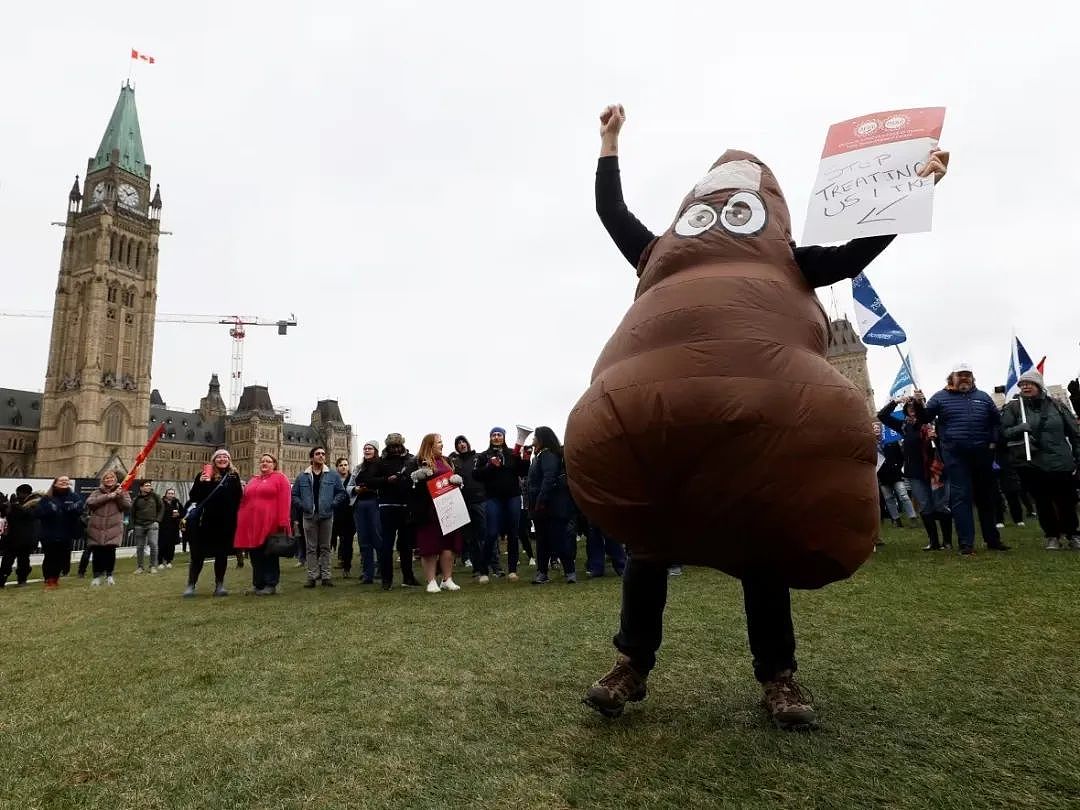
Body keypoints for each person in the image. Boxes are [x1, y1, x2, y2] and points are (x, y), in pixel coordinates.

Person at [570, 103, 951, 729]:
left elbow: (859, 250)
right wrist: (609, 141)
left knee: (761, 549)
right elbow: (611, 213)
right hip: (673, 432)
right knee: (649, 546)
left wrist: (917, 183)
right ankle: (631, 665)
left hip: (756, 431)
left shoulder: (792, 260)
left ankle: (777, 676)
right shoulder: (661, 253)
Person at [918, 364, 1009, 555]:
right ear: (952, 378)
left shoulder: (983, 397)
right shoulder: (940, 397)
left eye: (968, 375)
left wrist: (993, 442)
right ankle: (966, 543)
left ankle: (993, 540)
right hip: (955, 456)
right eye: (961, 375)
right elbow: (924, 417)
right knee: (961, 498)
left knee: (986, 498)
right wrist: (919, 403)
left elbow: (995, 422)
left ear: (973, 378)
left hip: (982, 454)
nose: (965, 379)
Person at [1000, 369, 1080, 549]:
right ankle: (1052, 535)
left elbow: (1074, 434)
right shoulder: (1014, 408)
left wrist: (1077, 456)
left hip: (1061, 461)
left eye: (1029, 383)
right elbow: (1003, 433)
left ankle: (1073, 534)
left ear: (1039, 385)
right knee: (1043, 502)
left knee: (1066, 500)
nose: (1025, 387)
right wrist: (1019, 428)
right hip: (1032, 463)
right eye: (1022, 384)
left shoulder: (1057, 405)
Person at [877, 397, 952, 549]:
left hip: (935, 470)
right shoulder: (905, 426)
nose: (911, 408)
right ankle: (934, 542)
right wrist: (896, 401)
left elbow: (946, 443)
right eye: (908, 406)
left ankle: (947, 541)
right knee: (925, 506)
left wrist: (936, 439)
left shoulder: (931, 424)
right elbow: (882, 416)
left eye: (914, 406)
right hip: (915, 472)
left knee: (941, 505)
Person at [403, 433, 464, 593]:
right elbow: (407, 482)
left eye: (441, 442)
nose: (441, 445)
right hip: (427, 510)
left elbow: (452, 478)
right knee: (429, 545)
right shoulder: (416, 461)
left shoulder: (447, 461)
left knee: (448, 545)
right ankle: (431, 581)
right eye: (438, 442)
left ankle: (447, 579)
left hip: (448, 508)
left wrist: (458, 480)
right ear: (429, 444)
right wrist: (418, 476)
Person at [182, 449, 244, 597]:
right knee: (198, 555)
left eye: (225, 457)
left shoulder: (233, 476)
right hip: (205, 521)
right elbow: (194, 497)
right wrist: (201, 483)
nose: (222, 459)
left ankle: (219, 585)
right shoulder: (204, 475)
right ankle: (191, 585)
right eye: (219, 457)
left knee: (221, 555)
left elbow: (238, 498)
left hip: (225, 522)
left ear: (229, 459)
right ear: (214, 460)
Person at [474, 428, 530, 581]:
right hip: (493, 498)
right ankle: (484, 571)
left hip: (513, 496)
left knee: (513, 532)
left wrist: (526, 459)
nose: (496, 437)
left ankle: (512, 570)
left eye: (499, 435)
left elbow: (522, 472)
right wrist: (490, 467)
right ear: (490, 437)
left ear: (504, 437)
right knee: (491, 533)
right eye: (494, 435)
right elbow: (476, 475)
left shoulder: (512, 453)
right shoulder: (483, 455)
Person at [235, 453, 293, 594]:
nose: (264, 463)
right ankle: (258, 584)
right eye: (262, 461)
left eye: (268, 461)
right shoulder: (253, 480)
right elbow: (245, 501)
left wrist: (283, 521)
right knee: (255, 554)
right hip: (252, 523)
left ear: (274, 464)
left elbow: (285, 501)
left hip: (271, 522)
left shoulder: (280, 478)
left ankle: (271, 584)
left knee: (269, 553)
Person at [292, 446, 348, 588]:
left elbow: (341, 493)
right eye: (318, 454)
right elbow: (294, 495)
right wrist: (303, 506)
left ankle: (326, 576)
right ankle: (311, 577)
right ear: (311, 457)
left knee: (325, 547)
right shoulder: (302, 476)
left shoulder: (333, 475)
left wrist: (332, 504)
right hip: (309, 515)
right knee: (310, 548)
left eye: (323, 454)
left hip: (326, 515)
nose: (321, 456)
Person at [528, 426, 576, 584]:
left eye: (535, 437)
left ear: (542, 439)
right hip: (545, 505)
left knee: (557, 539)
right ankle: (543, 572)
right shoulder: (541, 455)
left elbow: (548, 478)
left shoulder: (548, 454)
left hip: (550, 505)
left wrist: (541, 500)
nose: (533, 440)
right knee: (543, 540)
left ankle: (568, 571)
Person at [373, 433, 421, 589]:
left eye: (397, 445)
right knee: (387, 544)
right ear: (387, 446)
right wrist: (386, 480)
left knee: (406, 545)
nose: (395, 449)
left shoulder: (412, 460)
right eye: (392, 446)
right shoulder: (380, 462)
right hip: (387, 506)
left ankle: (408, 577)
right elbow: (369, 481)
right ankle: (386, 580)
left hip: (406, 506)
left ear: (402, 445)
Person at [32, 476, 85, 589]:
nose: (64, 481)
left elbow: (80, 510)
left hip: (66, 533)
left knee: (62, 558)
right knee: (50, 557)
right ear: (55, 484)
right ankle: (49, 580)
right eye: (61, 480)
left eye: (66, 480)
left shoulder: (74, 496)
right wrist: (49, 509)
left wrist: (73, 508)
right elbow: (37, 513)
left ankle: (55, 578)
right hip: (49, 533)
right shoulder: (47, 498)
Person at [449, 435, 489, 580]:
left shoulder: (478, 457)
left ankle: (490, 566)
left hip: (479, 499)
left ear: (468, 443)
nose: (461, 444)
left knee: (483, 535)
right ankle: (477, 568)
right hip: (462, 502)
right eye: (458, 443)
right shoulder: (453, 461)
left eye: (463, 441)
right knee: (470, 538)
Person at [85, 471, 132, 586]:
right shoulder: (96, 492)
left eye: (111, 478)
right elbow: (90, 503)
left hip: (113, 526)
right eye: (107, 478)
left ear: (115, 480)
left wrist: (118, 496)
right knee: (97, 552)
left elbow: (127, 506)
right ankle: (96, 576)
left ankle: (109, 575)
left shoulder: (123, 491)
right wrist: (107, 496)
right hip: (97, 526)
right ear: (103, 480)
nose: (109, 480)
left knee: (110, 551)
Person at [350, 440, 383, 584]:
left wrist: (372, 486)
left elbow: (384, 482)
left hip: (375, 503)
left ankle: (382, 569)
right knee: (363, 540)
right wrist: (355, 489)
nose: (367, 450)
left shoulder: (381, 466)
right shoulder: (358, 468)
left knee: (377, 537)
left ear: (375, 450)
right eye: (365, 448)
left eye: (369, 448)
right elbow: (350, 485)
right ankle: (367, 574)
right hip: (360, 504)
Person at [1, 485, 40, 588]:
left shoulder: (33, 503)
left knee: (23, 562)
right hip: (12, 539)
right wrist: (6, 504)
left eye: (21, 493)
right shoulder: (12, 504)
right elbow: (5, 514)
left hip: (25, 539)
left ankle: (22, 580)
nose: (19, 495)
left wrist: (16, 505)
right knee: (6, 563)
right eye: (18, 493)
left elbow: (30, 514)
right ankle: (1, 581)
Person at [131, 479, 164, 574]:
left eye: (149, 485)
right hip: (139, 525)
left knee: (153, 545)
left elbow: (161, 508)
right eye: (146, 485)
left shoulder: (155, 497)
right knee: (140, 547)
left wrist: (157, 521)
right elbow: (132, 512)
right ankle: (140, 567)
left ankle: (153, 566)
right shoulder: (136, 499)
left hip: (152, 524)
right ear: (141, 487)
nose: (149, 487)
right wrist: (132, 525)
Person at [332, 457, 357, 577]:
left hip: (349, 515)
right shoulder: (333, 480)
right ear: (337, 467)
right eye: (341, 465)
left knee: (347, 541)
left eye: (346, 465)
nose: (343, 467)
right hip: (335, 515)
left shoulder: (353, 480)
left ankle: (347, 566)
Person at [159, 488, 182, 568]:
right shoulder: (161, 502)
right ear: (166, 494)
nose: (171, 495)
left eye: (172, 493)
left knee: (171, 546)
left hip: (173, 527)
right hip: (162, 527)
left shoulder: (177, 503)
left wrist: (178, 515)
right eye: (169, 493)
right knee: (162, 545)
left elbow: (183, 512)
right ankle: (160, 562)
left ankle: (169, 561)